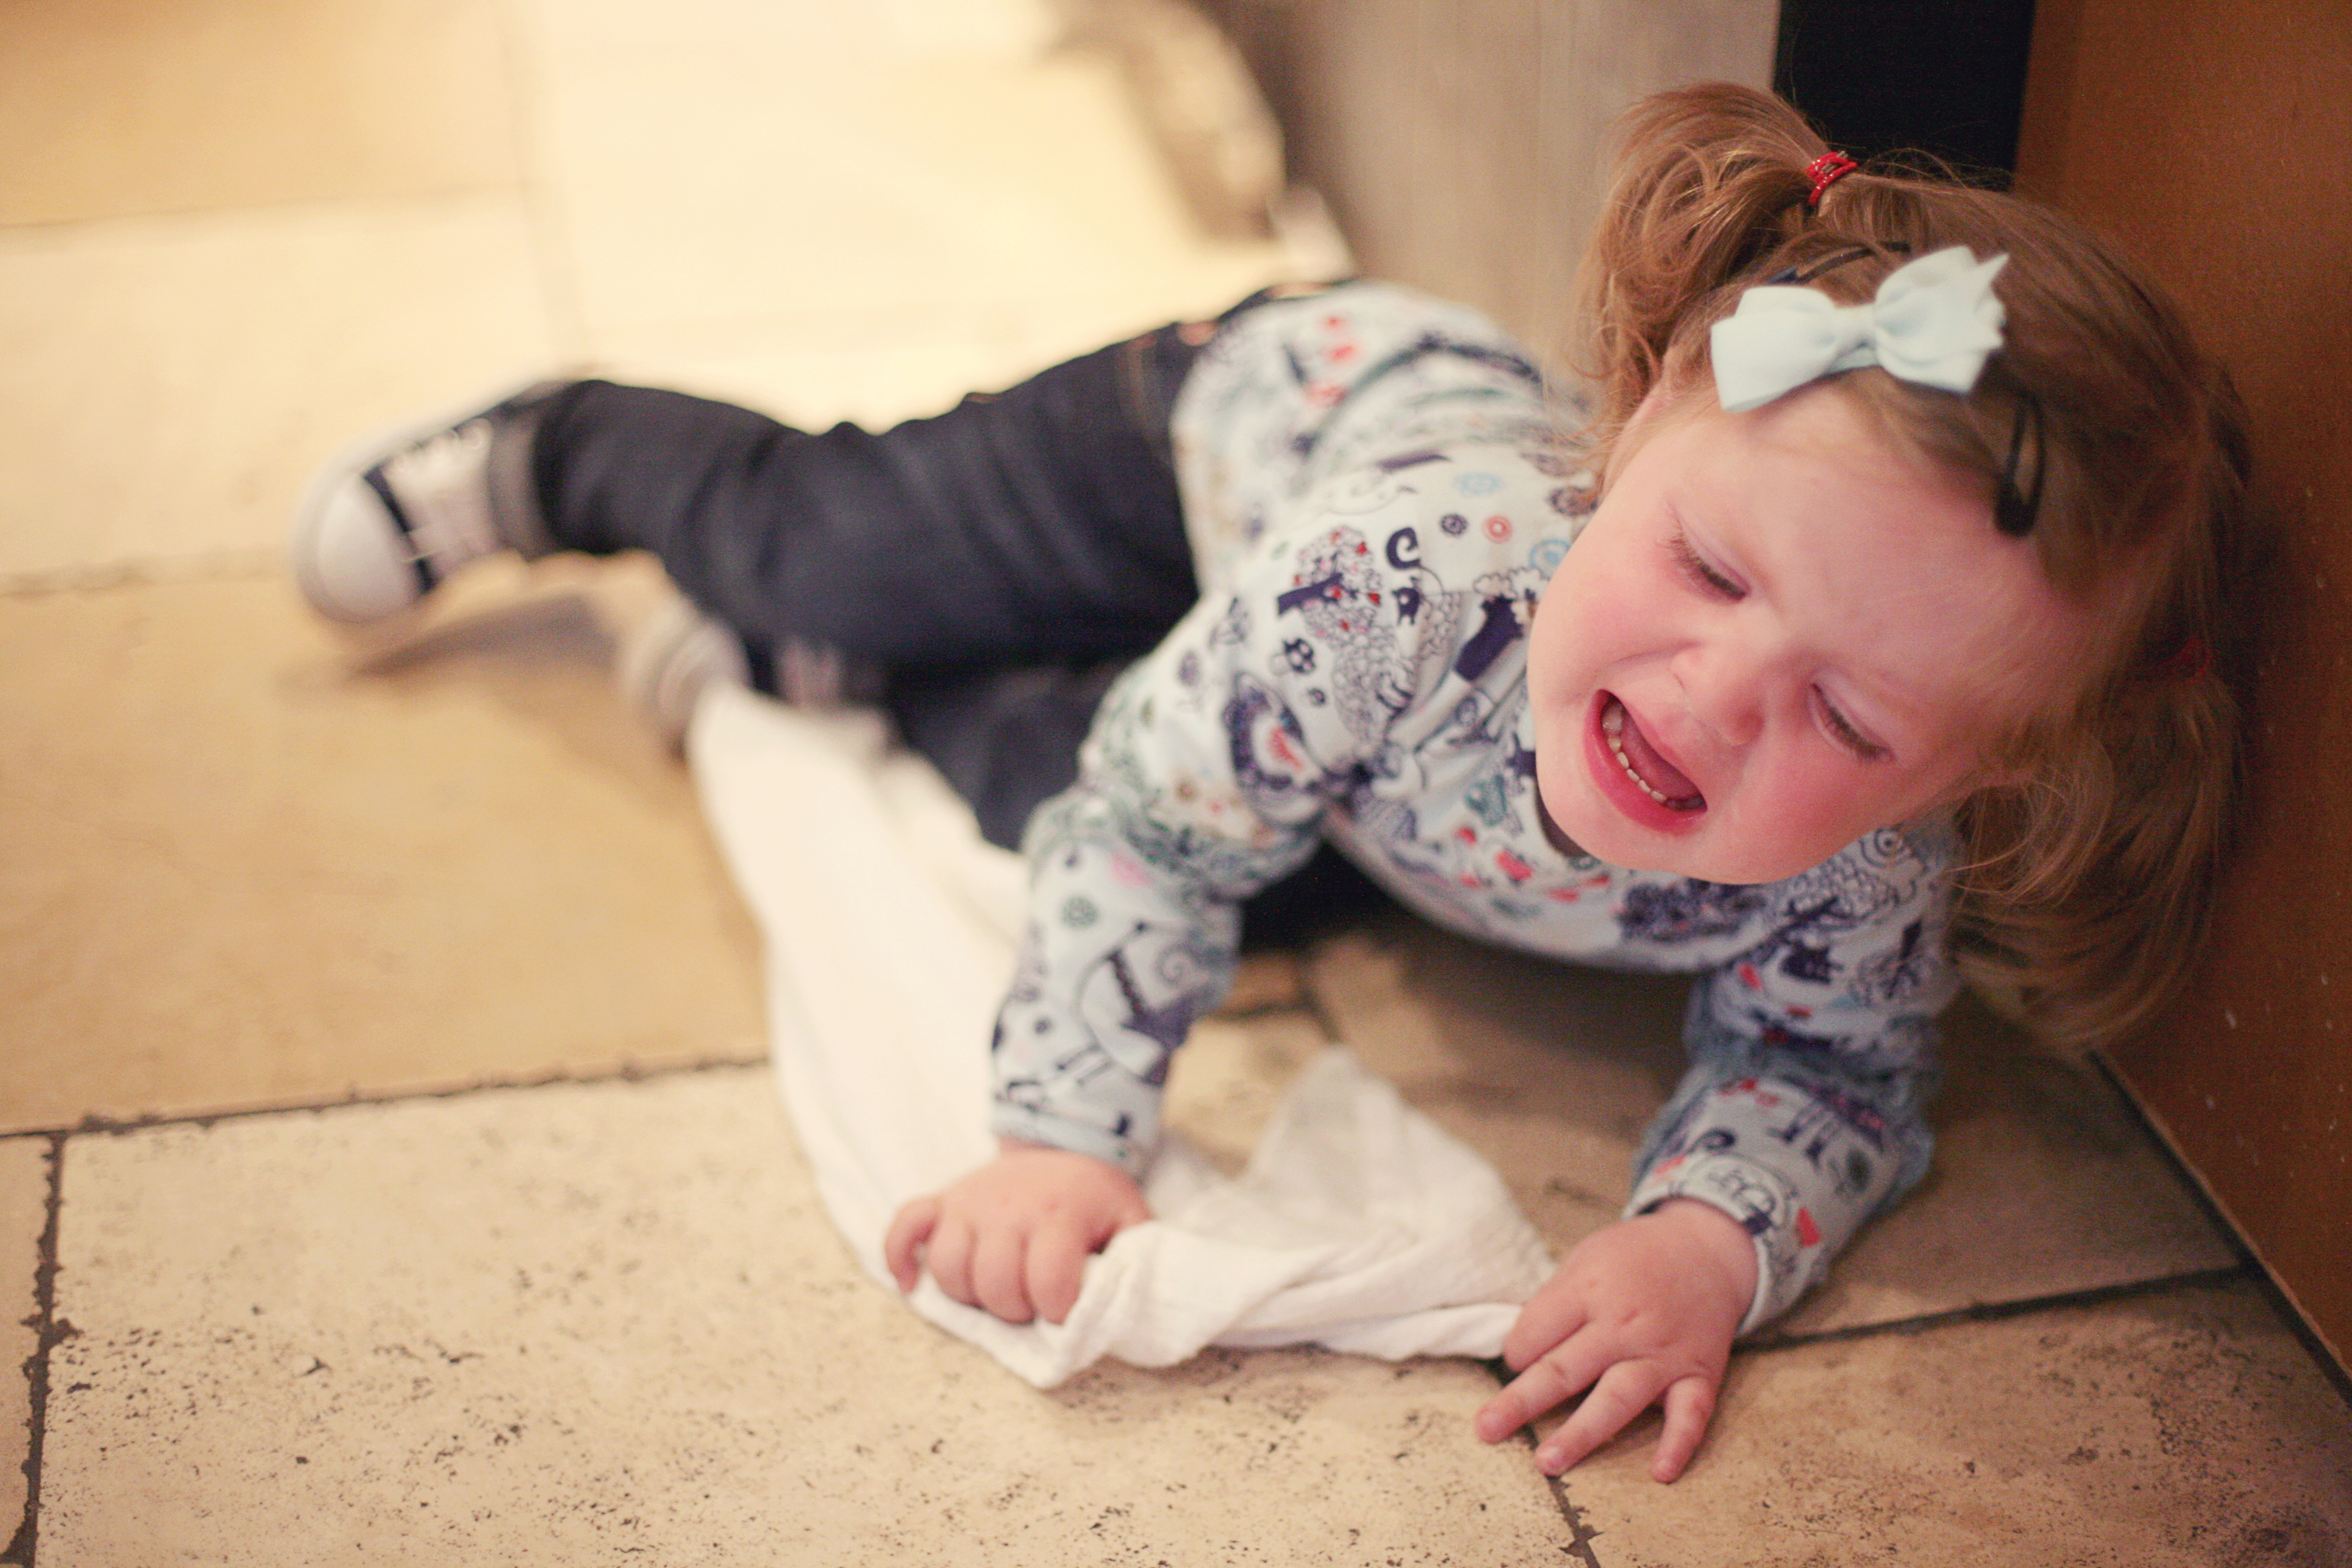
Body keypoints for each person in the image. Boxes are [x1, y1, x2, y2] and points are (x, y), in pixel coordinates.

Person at [290, 82, 2250, 1483]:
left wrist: (1708, 1238)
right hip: (1223, 431)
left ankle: (849, 680)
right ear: (1641, 411)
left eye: (1856, 718)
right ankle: (560, 457)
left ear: (1988, 769)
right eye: (1712, 569)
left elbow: (1832, 1069)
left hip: (1363, 770)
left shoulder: (1881, 866)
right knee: (845, 553)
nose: (1721, 696)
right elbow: (1155, 821)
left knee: (1235, 851)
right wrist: (1064, 1133)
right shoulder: (1407, 577)